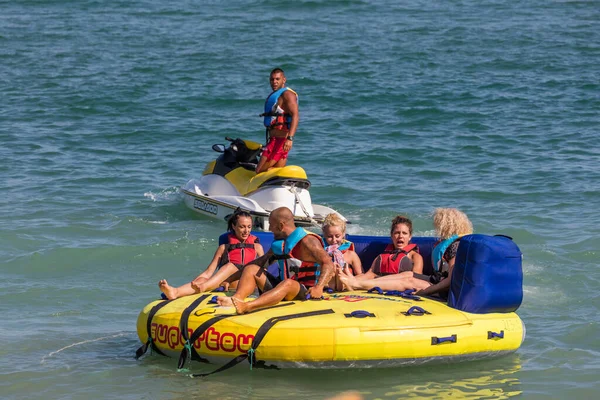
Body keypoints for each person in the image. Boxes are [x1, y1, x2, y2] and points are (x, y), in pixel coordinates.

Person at [217, 207, 335, 314]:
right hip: (281, 288)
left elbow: (328, 263)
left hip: (304, 291)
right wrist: (229, 279)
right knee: (251, 268)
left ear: (281, 226)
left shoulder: (308, 241)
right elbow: (259, 263)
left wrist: (319, 287)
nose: (269, 228)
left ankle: (248, 306)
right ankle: (236, 299)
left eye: (271, 225)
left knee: (288, 283)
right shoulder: (281, 244)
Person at [340, 208, 473, 299]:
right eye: (396, 233)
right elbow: (370, 274)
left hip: (446, 291)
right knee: (407, 274)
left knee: (408, 280)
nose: (436, 227)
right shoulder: (452, 244)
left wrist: (426, 291)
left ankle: (356, 285)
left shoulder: (455, 246)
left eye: (439, 224)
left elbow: (452, 280)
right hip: (437, 282)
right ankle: (353, 282)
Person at [158, 210, 264, 300]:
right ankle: (176, 291)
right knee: (203, 279)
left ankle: (203, 287)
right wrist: (197, 281)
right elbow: (208, 272)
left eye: (249, 227)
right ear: (234, 226)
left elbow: (263, 273)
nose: (246, 231)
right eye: (242, 227)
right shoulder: (223, 248)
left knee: (230, 266)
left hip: (248, 286)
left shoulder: (257, 247)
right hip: (229, 286)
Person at [256, 68, 299, 173]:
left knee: (259, 171)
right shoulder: (277, 95)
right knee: (275, 171)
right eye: (272, 79)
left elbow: (296, 115)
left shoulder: (287, 95)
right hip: (275, 140)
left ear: (284, 80)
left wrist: (290, 138)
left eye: (277, 79)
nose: (274, 82)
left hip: (280, 142)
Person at [321, 213, 362, 291]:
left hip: (345, 288)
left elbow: (361, 275)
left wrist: (347, 277)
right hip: (325, 289)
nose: (334, 240)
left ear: (343, 234)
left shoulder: (351, 255)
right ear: (324, 235)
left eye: (337, 236)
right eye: (329, 236)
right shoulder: (319, 253)